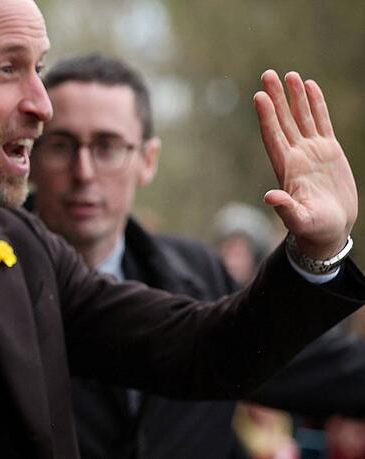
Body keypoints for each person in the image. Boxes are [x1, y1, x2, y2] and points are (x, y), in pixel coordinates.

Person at [0, 0, 365, 458]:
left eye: (39, 69)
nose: (41, 105)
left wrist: (315, 251)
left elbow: (203, 351)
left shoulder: (18, 248)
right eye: (8, 69)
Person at [29, 53, 365, 459]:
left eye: (108, 146)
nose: (84, 172)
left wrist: (319, 252)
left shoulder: (198, 274)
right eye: (61, 145)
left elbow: (310, 365)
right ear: (29, 155)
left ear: (148, 161)